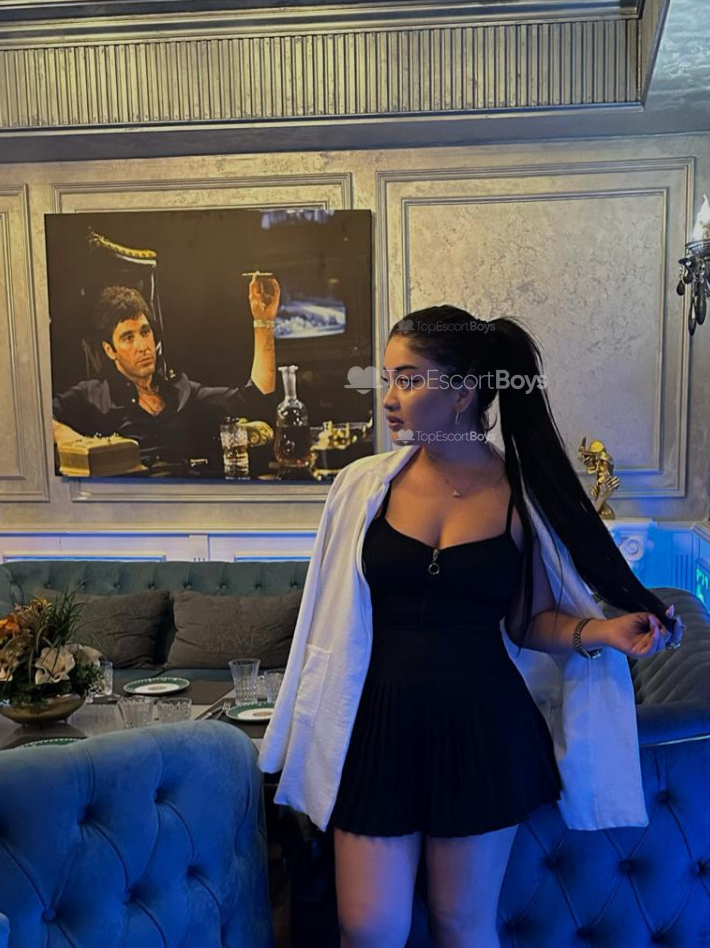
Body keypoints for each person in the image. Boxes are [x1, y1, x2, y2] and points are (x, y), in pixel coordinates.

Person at [258, 307, 682, 947]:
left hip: (481, 728)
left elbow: (530, 621)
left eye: (408, 380)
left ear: (461, 393)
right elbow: (331, 616)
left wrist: (604, 633)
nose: (389, 398)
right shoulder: (361, 489)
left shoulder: (520, 496)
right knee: (368, 927)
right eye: (387, 378)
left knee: (462, 926)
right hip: (375, 727)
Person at [52, 284, 278, 471]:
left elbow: (255, 398)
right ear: (110, 350)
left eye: (145, 332)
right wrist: (81, 444)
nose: (142, 346)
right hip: (126, 503)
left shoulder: (181, 391)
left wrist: (264, 321)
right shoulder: (94, 395)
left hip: (187, 498)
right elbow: (40, 421)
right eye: (128, 338)